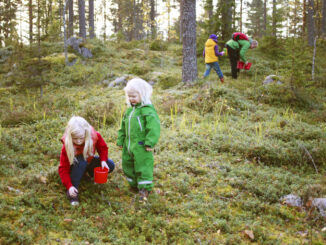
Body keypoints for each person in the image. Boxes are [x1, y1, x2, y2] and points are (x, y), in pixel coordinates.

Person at [117, 78, 160, 201]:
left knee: (143, 166)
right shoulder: (129, 110)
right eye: (129, 96)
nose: (131, 99)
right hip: (128, 145)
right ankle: (134, 185)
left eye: (134, 96)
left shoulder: (147, 110)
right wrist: (121, 140)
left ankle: (145, 188)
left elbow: (154, 127)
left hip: (142, 145)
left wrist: (150, 142)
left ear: (142, 94)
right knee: (128, 164)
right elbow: (123, 126)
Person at [58, 116, 115, 206]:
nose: (79, 141)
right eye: (75, 138)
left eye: (81, 138)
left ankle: (87, 175)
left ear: (86, 133)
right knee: (81, 161)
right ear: (70, 136)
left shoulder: (94, 136)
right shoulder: (67, 146)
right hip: (76, 166)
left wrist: (103, 160)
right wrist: (69, 186)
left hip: (89, 161)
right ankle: (73, 193)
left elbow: (103, 148)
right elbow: (63, 169)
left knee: (110, 164)